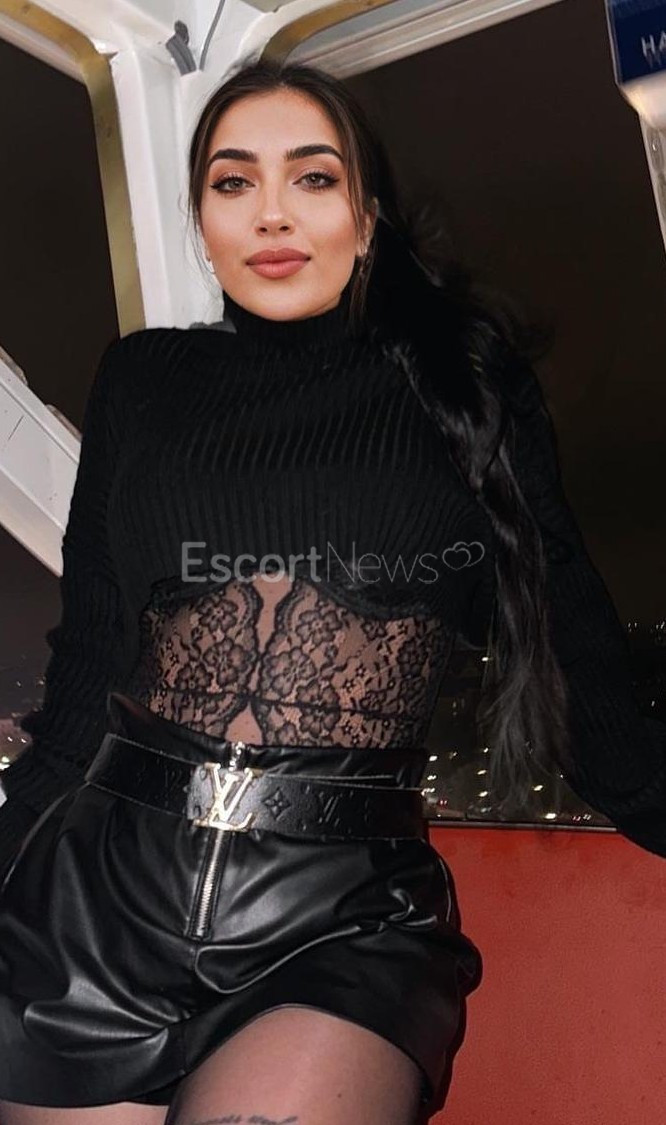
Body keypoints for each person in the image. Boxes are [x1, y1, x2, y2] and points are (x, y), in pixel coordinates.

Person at [0, 55, 664, 1125]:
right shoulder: (141, 379)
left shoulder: (463, 388)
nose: (271, 213)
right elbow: (88, 675)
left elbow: (570, 649)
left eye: (312, 177)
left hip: (339, 918)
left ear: (367, 214)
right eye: (233, 181)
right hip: (95, 898)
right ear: (201, 221)